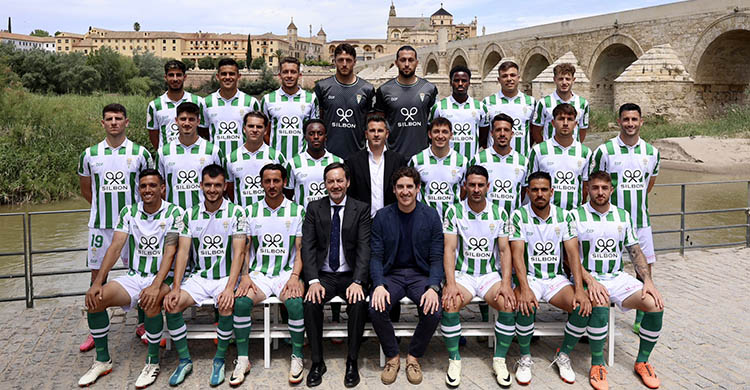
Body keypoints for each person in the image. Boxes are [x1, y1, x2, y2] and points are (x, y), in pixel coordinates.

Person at [77, 169, 184, 387]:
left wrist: (156, 285)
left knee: (151, 301)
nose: (147, 190)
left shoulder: (175, 213)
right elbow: (115, 247)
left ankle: (152, 362)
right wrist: (97, 282)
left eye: (152, 185)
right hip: (135, 276)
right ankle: (102, 360)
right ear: (138, 190)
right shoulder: (129, 212)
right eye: (143, 186)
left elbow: (170, 251)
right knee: (95, 300)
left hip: (164, 278)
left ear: (162, 188)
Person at [571, 171, 665, 390]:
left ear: (611, 190)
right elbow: (570, 257)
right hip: (589, 277)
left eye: (604, 188)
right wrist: (589, 280)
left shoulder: (622, 215)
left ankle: (642, 361)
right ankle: (597, 364)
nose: (600, 192)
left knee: (655, 304)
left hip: (617, 277)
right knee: (600, 304)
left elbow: (635, 251)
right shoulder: (575, 216)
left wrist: (648, 281)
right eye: (595, 188)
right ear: (588, 190)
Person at [162, 164, 248, 387]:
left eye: (217, 185)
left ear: (225, 186)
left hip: (225, 277)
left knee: (227, 305)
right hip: (200, 278)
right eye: (208, 185)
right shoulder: (189, 214)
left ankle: (219, 359)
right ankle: (184, 360)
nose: (212, 189)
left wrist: (230, 288)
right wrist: (176, 286)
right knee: (172, 304)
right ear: (200, 185)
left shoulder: (237, 212)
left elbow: (239, 253)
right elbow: (182, 252)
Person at [77, 103, 152, 352]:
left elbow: (148, 189)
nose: (113, 122)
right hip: (101, 226)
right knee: (98, 276)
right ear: (102, 123)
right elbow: (87, 190)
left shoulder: (140, 153)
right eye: (108, 119)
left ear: (126, 122)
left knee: (140, 273)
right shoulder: (90, 154)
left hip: (133, 227)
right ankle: (96, 330)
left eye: (118, 118)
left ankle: (142, 324)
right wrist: (102, 211)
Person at [510, 171, 592, 386]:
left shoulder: (564, 216)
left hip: (555, 279)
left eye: (544, 190)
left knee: (582, 306)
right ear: (528, 192)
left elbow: (573, 254)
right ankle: (525, 357)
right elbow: (517, 255)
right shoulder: (519, 215)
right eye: (535, 190)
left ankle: (563, 354)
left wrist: (580, 288)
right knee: (524, 303)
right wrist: (524, 287)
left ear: (552, 192)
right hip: (531, 278)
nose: (539, 194)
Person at [440, 165, 516, 387]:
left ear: (488, 187)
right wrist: (451, 283)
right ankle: (454, 359)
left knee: (508, 304)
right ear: (465, 186)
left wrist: (506, 283)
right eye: (471, 184)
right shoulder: (454, 211)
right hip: (464, 275)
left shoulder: (499, 213)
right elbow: (450, 250)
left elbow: (504, 251)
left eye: (480, 185)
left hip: (489, 276)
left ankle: (499, 360)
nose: (475, 189)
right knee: (449, 303)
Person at [589, 103, 660, 335]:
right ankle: (594, 314)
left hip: (640, 221)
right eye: (626, 119)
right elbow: (595, 183)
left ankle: (641, 316)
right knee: (601, 265)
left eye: (634, 120)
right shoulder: (605, 150)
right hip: (608, 223)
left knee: (644, 269)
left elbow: (648, 185)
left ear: (641, 122)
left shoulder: (652, 152)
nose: (630, 124)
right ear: (618, 121)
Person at [369, 167, 444, 386]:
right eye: (400, 187)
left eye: (409, 186)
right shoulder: (382, 217)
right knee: (375, 307)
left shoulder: (430, 216)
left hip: (419, 276)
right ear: (394, 190)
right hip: (391, 275)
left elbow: (437, 258)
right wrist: (379, 284)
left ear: (418, 189)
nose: (405, 191)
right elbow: (376, 256)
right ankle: (393, 357)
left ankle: (413, 357)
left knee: (434, 309)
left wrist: (433, 286)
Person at [234, 163, 307, 384]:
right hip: (259, 274)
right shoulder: (250, 211)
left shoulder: (297, 210)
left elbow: (300, 249)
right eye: (267, 181)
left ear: (285, 182)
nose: (272, 185)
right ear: (261, 183)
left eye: (277, 181)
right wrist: (245, 275)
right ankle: (243, 358)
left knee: (294, 303)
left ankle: (297, 355)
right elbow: (244, 248)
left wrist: (295, 277)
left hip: (286, 273)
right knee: (241, 303)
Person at [301, 162, 371, 387]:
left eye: (340, 180)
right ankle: (317, 362)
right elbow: (308, 247)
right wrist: (312, 280)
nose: (335, 185)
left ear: (348, 182)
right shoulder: (314, 208)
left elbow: (364, 248)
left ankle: (352, 361)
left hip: (351, 274)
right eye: (330, 181)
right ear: (325, 184)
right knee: (311, 303)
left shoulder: (360, 209)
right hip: (323, 275)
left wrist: (359, 281)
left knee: (359, 303)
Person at [157, 102, 224, 212]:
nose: (187, 123)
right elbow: (160, 187)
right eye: (183, 119)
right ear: (176, 121)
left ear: (198, 121)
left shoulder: (213, 150)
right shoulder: (163, 152)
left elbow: (221, 185)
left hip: (204, 216)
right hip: (173, 217)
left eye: (191, 119)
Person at [373, 45, 438, 159]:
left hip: (422, 157)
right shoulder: (384, 90)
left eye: (411, 60)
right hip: (393, 156)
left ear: (417, 63)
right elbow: (378, 124)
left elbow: (434, 122)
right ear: (396, 63)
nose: (407, 64)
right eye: (403, 60)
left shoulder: (429, 88)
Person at [314, 43, 376, 159]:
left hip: (358, 155)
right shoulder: (322, 87)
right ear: (334, 61)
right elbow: (318, 119)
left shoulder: (367, 89)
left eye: (348, 60)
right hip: (329, 155)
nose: (344, 64)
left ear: (354, 62)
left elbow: (371, 123)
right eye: (340, 60)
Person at [528, 103, 591, 211]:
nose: (565, 123)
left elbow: (585, 188)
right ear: (553, 123)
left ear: (576, 124)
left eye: (570, 119)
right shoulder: (539, 150)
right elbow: (531, 184)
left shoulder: (585, 152)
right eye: (561, 119)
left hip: (574, 215)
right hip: (545, 216)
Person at [345, 116, 408, 217]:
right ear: (366, 134)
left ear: (386, 134)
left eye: (380, 130)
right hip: (362, 221)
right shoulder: (353, 161)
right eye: (372, 130)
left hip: (392, 218)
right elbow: (350, 194)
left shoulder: (398, 160)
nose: (376, 134)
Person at [469, 113, 529, 217]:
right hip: (485, 221)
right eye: (498, 130)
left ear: (512, 133)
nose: (502, 134)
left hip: (512, 222)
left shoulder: (523, 162)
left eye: (506, 130)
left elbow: (523, 192)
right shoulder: (479, 159)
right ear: (491, 133)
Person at [261, 56, 319, 161]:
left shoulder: (311, 99)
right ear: (279, 75)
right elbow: (264, 132)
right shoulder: (268, 99)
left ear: (299, 75)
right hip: (275, 161)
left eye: (293, 72)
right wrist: (273, 151)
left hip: (303, 160)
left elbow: (314, 130)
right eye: (285, 72)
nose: (289, 76)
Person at [409, 117, 467, 218]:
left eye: (445, 132)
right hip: (423, 219)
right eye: (436, 132)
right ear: (429, 134)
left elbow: (464, 190)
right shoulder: (417, 160)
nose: (440, 136)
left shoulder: (462, 161)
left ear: (451, 135)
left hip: (452, 221)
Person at [225, 111, 286, 207]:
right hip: (243, 217)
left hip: (268, 215)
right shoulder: (231, 158)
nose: (254, 130)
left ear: (266, 130)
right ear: (244, 129)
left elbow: (284, 187)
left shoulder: (276, 156)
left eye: (259, 127)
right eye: (251, 126)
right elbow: (230, 188)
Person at [429, 65, 489, 160]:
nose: (460, 84)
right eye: (456, 80)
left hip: (471, 162)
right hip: (446, 161)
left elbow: (483, 136)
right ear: (451, 83)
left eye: (464, 81)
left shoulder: (480, 107)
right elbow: (431, 133)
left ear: (469, 83)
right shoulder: (439, 107)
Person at [203, 58, 260, 156]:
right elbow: (203, 131)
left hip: (243, 160)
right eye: (224, 74)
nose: (228, 77)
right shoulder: (206, 102)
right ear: (218, 76)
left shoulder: (251, 102)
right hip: (216, 162)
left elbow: (260, 131)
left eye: (232, 74)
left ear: (239, 76)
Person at [146, 60, 207, 150]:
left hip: (194, 156)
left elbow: (203, 131)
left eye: (178, 75)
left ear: (184, 77)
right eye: (171, 75)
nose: (175, 79)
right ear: (165, 77)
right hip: (167, 159)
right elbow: (153, 136)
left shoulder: (198, 101)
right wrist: (164, 153)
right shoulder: (154, 105)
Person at [286, 119, 343, 208]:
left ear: (326, 137)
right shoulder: (293, 163)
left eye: (320, 134)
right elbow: (288, 194)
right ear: (305, 137)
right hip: (304, 218)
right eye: (311, 134)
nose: (316, 137)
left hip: (330, 217)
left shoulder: (338, 161)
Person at [483, 60, 536, 156]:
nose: (509, 79)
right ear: (499, 80)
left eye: (512, 75)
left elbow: (534, 131)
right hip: (494, 159)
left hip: (522, 159)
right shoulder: (488, 102)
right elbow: (483, 133)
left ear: (518, 78)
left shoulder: (530, 102)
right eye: (504, 76)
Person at [531, 63, 589, 143]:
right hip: (550, 153)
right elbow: (536, 131)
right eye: (561, 79)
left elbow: (582, 130)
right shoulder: (544, 103)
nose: (564, 82)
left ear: (573, 80)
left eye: (568, 79)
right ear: (555, 79)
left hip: (573, 153)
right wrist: (545, 148)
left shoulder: (583, 103)